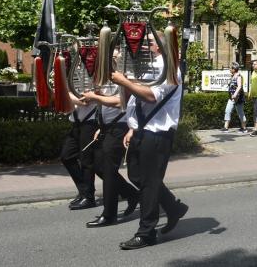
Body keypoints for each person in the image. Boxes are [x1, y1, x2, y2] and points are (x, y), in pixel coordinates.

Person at [113, 30, 188, 250]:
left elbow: (150, 96)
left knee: (148, 183)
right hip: (142, 131)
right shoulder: (149, 67)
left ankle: (146, 233)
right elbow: (136, 100)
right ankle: (172, 208)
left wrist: (123, 81)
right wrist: (132, 127)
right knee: (136, 176)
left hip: (158, 133)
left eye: (150, 42)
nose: (145, 45)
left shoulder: (170, 68)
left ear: (161, 47)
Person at [81, 88, 139, 226]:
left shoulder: (121, 72)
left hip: (121, 125)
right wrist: (102, 126)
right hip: (109, 125)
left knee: (108, 169)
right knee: (98, 166)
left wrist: (95, 97)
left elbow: (121, 101)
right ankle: (132, 194)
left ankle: (109, 215)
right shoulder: (106, 75)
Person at [61, 92, 98, 210]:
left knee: (86, 161)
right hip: (76, 122)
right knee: (66, 156)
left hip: (90, 122)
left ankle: (88, 197)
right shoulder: (71, 79)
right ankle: (84, 191)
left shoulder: (91, 78)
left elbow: (84, 101)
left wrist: (65, 92)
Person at [223, 62, 247, 132]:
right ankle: (225, 127)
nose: (230, 69)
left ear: (234, 69)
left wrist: (235, 94)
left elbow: (239, 86)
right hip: (231, 98)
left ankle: (244, 128)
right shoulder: (233, 76)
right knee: (227, 110)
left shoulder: (238, 76)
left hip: (238, 97)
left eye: (231, 68)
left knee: (240, 112)